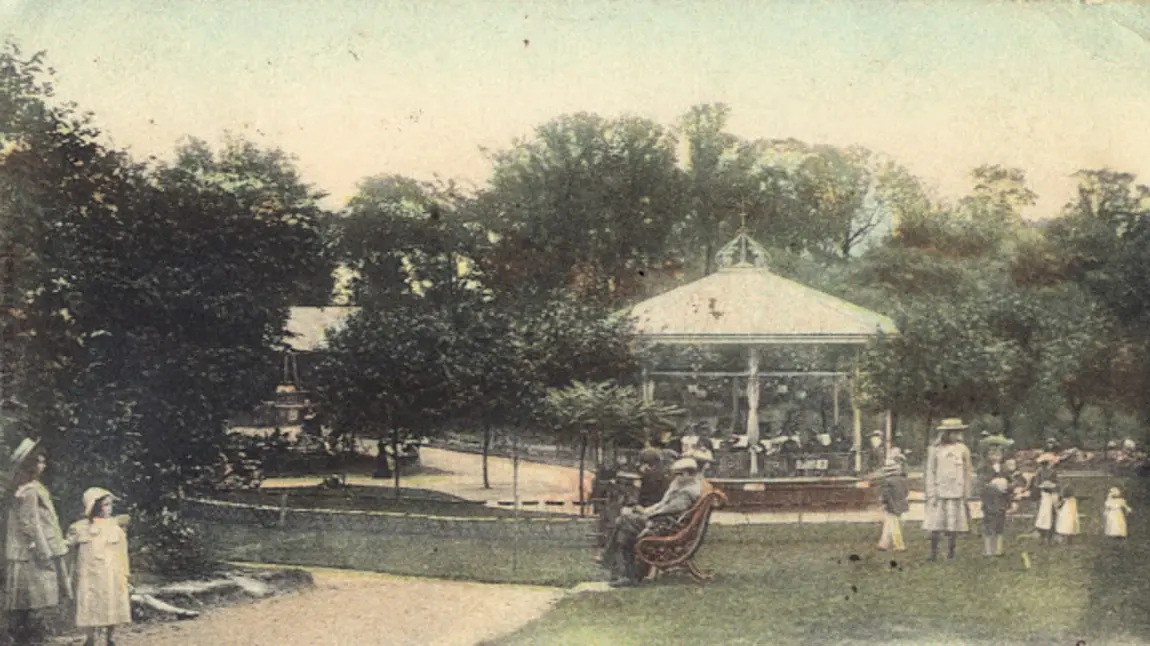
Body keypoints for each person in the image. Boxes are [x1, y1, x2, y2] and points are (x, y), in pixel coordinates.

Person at [5, 439, 71, 645]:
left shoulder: (33, 487)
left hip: (36, 546)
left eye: (43, 461)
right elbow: (30, 523)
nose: (43, 465)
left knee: (33, 596)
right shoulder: (29, 491)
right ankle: (28, 635)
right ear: (30, 465)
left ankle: (29, 634)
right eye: (39, 461)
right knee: (32, 596)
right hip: (31, 551)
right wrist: (42, 550)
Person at [599, 458, 703, 587]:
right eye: (676, 474)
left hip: (664, 525)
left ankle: (615, 564)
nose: (676, 477)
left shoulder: (687, 492)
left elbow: (669, 510)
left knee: (624, 520)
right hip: (663, 522)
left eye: (680, 474)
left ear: (689, 474)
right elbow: (662, 505)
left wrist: (646, 513)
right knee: (624, 527)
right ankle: (627, 573)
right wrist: (645, 511)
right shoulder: (683, 486)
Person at [67, 488, 131, 646]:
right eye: (104, 505)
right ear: (94, 506)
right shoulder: (80, 528)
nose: (108, 508)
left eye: (109, 505)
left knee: (112, 600)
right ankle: (90, 636)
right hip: (89, 572)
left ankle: (110, 636)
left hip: (111, 572)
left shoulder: (115, 528)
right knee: (90, 602)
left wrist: (126, 574)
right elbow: (68, 546)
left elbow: (122, 552)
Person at [923, 418, 974, 562]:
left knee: (953, 524)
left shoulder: (962, 449)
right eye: (953, 432)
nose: (956, 435)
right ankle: (933, 552)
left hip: (956, 492)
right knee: (935, 523)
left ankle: (950, 553)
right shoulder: (935, 450)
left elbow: (967, 471)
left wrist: (966, 491)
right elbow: (930, 471)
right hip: (939, 492)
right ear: (945, 433)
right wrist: (931, 492)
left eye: (958, 432)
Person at [876, 449, 909, 552]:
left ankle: (885, 544)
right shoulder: (901, 480)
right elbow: (905, 492)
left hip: (891, 505)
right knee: (894, 525)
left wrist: (884, 502)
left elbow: (885, 495)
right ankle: (896, 545)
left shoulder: (887, 482)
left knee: (891, 524)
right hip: (897, 504)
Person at [979, 464, 1011, 557]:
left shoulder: (988, 486)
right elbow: (1007, 496)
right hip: (1000, 509)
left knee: (988, 530)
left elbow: (984, 497)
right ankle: (998, 550)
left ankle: (989, 551)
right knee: (999, 530)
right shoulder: (1005, 483)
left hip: (989, 510)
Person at [1032, 455, 1060, 545]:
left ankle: (1050, 537)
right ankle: (1042, 536)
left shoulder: (1053, 472)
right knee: (1043, 516)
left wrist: (1052, 485)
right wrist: (1042, 485)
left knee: (1052, 514)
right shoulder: (1039, 472)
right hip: (1044, 494)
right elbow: (1036, 483)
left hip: (1052, 494)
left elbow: (1057, 483)